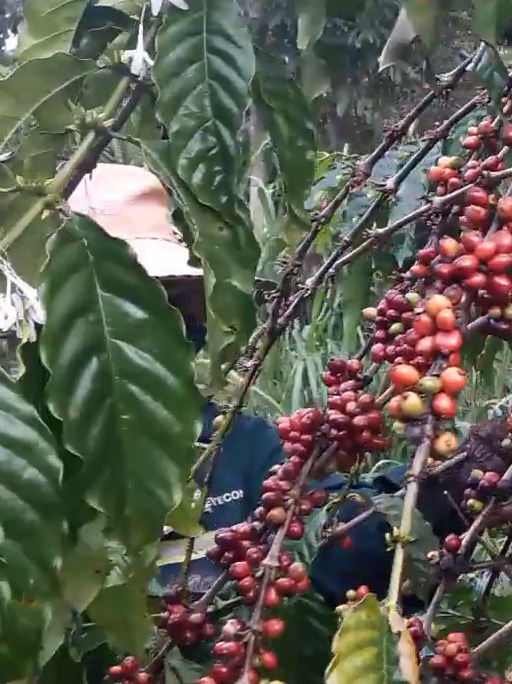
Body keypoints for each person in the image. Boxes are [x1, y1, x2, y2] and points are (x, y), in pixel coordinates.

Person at [67, 165, 403, 603]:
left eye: (175, 302)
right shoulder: (28, 453)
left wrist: (435, 493)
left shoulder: (238, 445)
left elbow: (339, 538)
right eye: (128, 303)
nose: (166, 322)